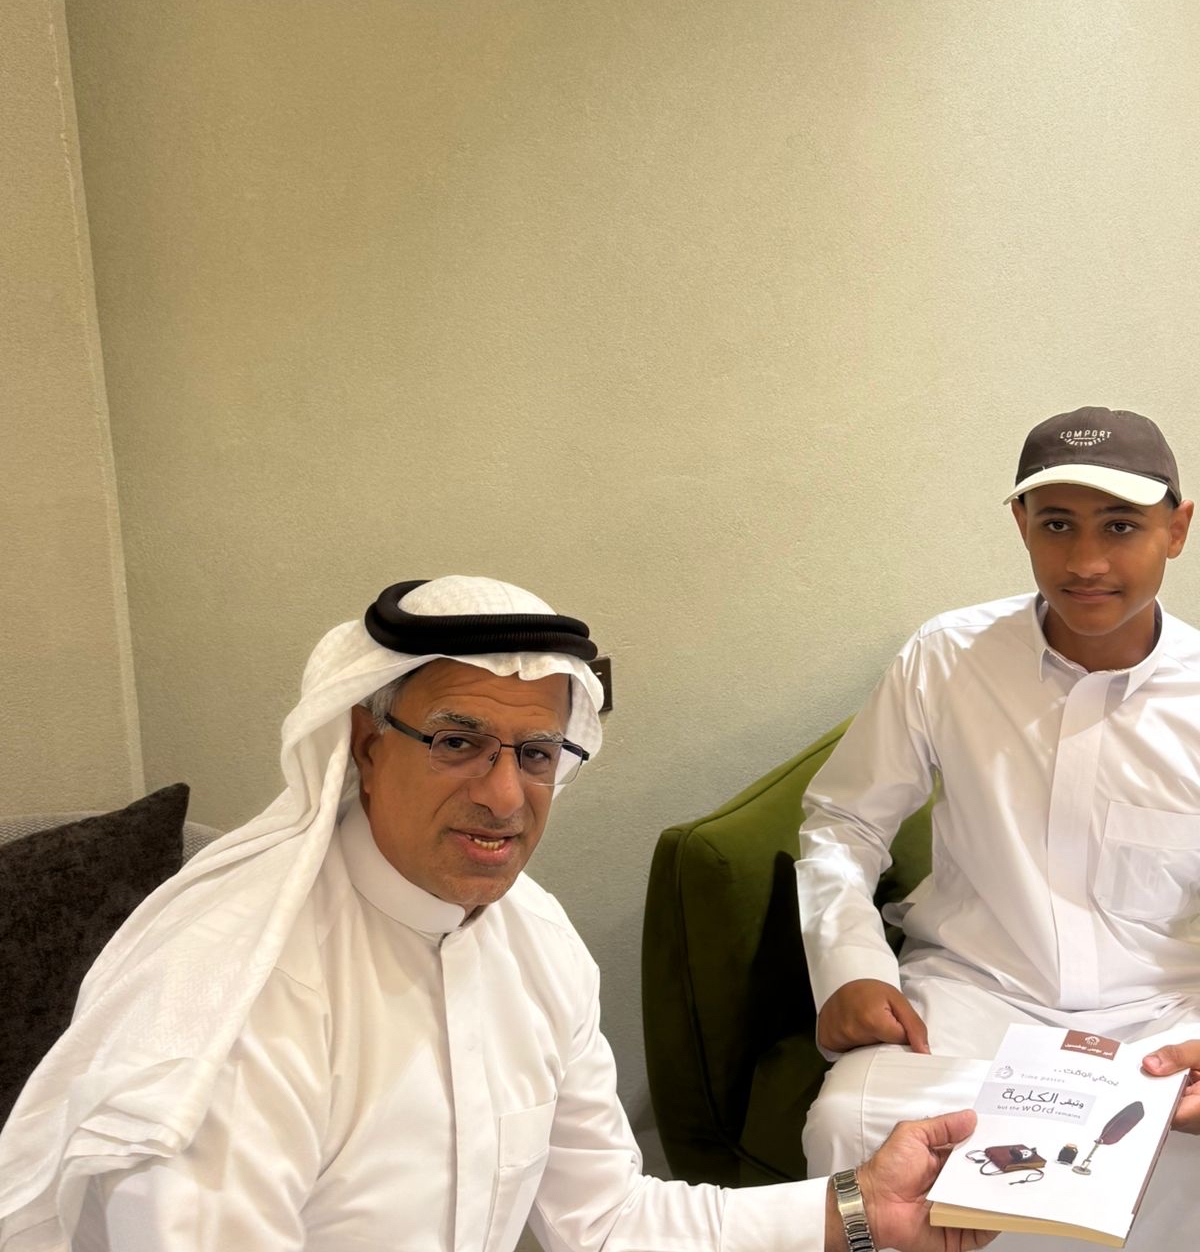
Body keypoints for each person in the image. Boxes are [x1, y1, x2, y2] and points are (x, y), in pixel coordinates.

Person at [0, 575, 991, 1252]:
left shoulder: (535, 940)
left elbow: (603, 1222)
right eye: (458, 741)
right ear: (365, 744)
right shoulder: (240, 995)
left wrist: (862, 1210)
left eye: (535, 754)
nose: (505, 796)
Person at [795, 407, 1200, 1248]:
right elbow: (844, 821)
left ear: (1176, 529)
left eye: (1120, 525)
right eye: (1057, 524)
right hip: (975, 999)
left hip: (1163, 1016)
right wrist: (848, 967)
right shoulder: (946, 657)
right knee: (847, 1124)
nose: (1085, 562)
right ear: (1020, 523)